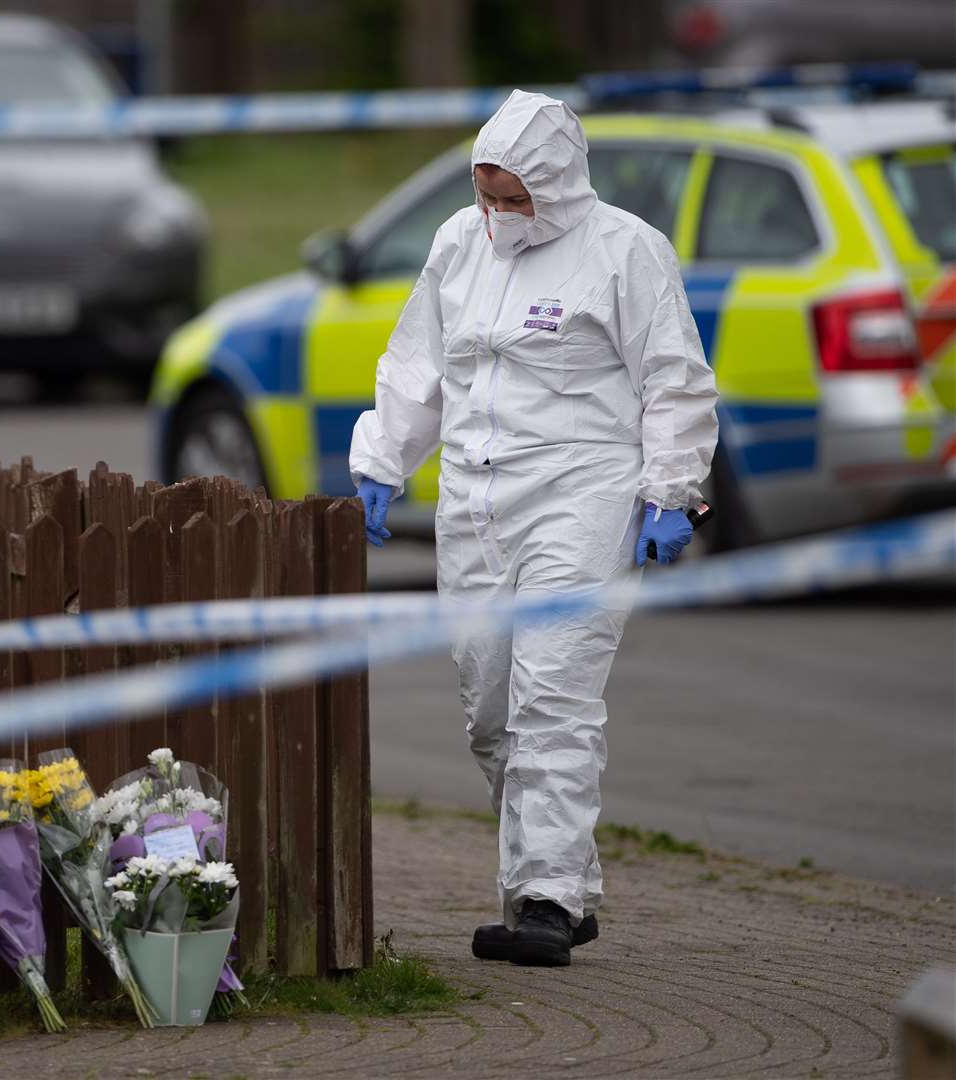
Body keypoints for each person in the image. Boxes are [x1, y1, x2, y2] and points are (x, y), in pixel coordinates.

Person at [350, 90, 718, 967]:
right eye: (487, 195)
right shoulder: (456, 243)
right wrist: (382, 459)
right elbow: (418, 362)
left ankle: (545, 899)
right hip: (475, 499)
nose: (500, 215)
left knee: (553, 693)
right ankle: (556, 886)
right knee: (489, 709)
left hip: (582, 490)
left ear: (554, 187)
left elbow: (674, 376)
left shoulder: (625, 251)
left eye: (515, 198)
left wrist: (672, 488)